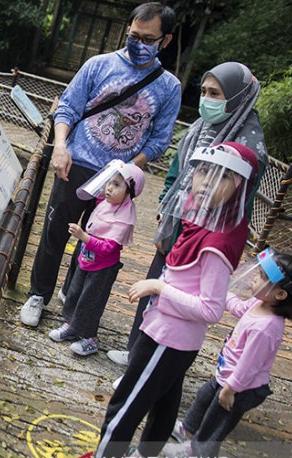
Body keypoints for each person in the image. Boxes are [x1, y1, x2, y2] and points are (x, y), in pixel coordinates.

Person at [48, 142, 260, 458]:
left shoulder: (218, 242)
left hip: (167, 338)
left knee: (125, 404)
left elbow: (210, 308)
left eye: (220, 175)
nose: (205, 180)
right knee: (164, 402)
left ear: (238, 185)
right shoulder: (207, 226)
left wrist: (158, 288)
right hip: (171, 336)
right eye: (202, 171)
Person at [19, 2, 181, 327]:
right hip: (75, 164)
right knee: (54, 233)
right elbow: (67, 107)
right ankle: (38, 294)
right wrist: (61, 147)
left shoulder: (169, 87)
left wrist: (125, 170)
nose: (138, 42)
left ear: (165, 41)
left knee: (97, 243)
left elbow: (160, 140)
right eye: (134, 34)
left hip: (117, 182)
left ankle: (72, 293)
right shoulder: (99, 65)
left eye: (148, 38)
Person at [107, 61, 268, 369]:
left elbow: (239, 200)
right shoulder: (199, 128)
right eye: (204, 91)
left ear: (237, 96)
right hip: (179, 221)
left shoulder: (248, 143)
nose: (206, 99)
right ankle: (137, 352)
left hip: (208, 234)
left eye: (216, 93)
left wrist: (213, 235)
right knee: (155, 285)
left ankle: (155, 360)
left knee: (179, 296)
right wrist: (167, 211)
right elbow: (177, 172)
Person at [163, 249, 292, 458]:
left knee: (217, 421)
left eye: (262, 277)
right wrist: (221, 291)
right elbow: (239, 307)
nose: (254, 277)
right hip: (227, 375)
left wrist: (231, 389)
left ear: (280, 294)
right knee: (204, 397)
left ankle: (198, 453)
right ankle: (187, 429)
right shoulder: (259, 303)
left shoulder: (266, 328)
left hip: (242, 386)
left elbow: (249, 365)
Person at [48, 161, 145, 357]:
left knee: (90, 301)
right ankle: (72, 326)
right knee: (74, 292)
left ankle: (90, 338)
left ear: (130, 192)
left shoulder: (123, 217)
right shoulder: (105, 202)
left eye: (117, 184)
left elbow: (110, 247)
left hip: (102, 267)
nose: (109, 188)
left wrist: (84, 237)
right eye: (109, 182)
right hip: (87, 258)